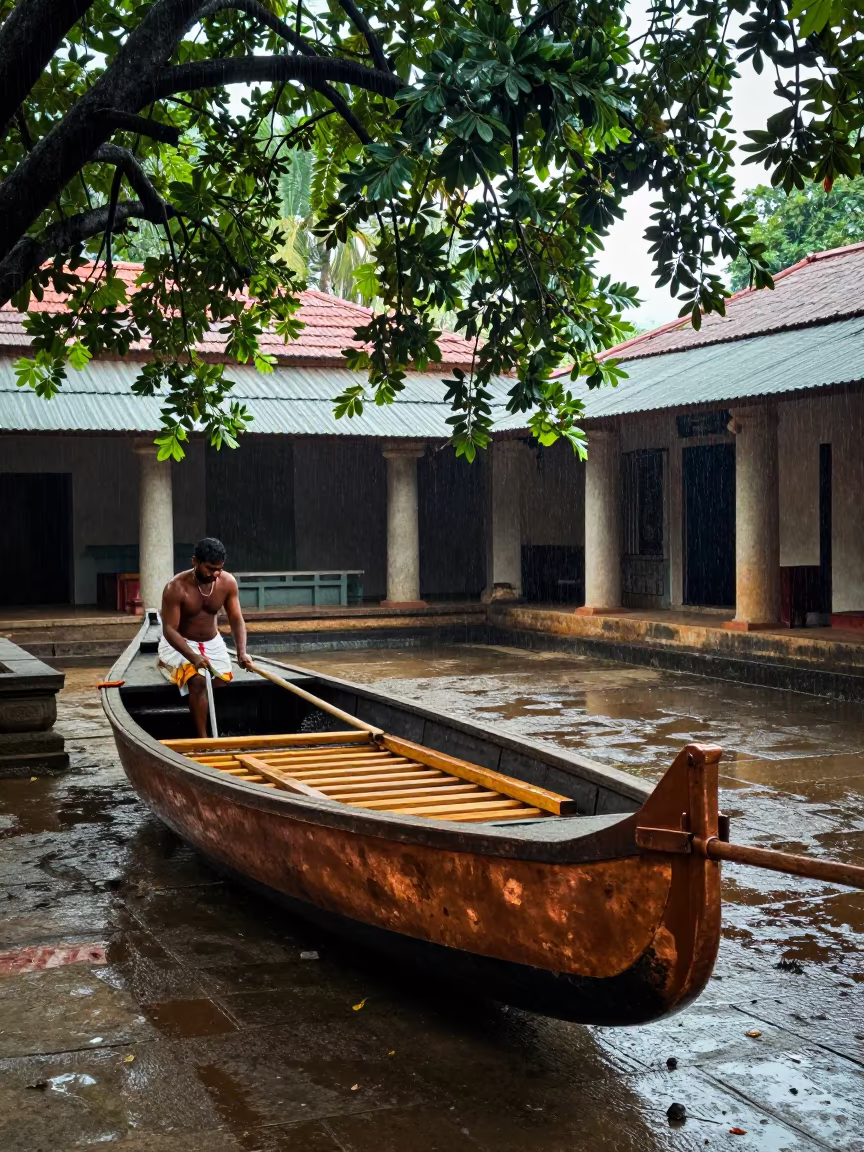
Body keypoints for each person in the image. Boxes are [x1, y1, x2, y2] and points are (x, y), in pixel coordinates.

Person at [157, 537, 254, 737]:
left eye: (219, 568)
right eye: (210, 569)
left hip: (213, 642)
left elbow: (236, 620)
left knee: (220, 681)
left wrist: (242, 652)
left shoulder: (227, 582)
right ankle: (204, 742)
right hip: (179, 643)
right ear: (195, 562)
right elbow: (169, 630)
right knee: (199, 680)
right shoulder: (175, 588)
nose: (215, 574)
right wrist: (194, 658)